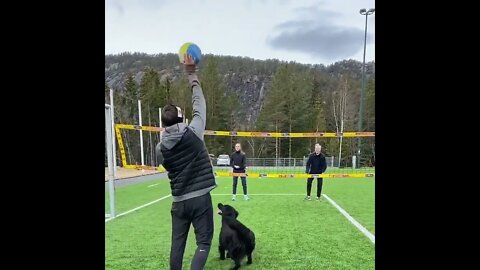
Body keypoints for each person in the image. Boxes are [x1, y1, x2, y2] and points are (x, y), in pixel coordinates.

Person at [155, 54, 216, 270]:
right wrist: (191, 74)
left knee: (177, 247)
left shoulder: (159, 148)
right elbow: (200, 104)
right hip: (200, 199)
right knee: (204, 243)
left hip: (178, 202)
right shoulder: (194, 133)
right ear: (182, 120)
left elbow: (168, 164)